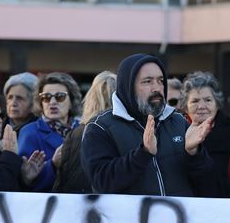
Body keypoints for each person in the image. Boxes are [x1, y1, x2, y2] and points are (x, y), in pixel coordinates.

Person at [81, 53, 214, 196]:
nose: (156, 88)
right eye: (147, 81)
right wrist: (143, 154)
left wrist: (194, 153)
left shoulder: (178, 121)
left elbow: (206, 182)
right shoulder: (100, 128)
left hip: (177, 217)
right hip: (131, 218)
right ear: (128, 86)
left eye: (160, 80)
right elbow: (102, 183)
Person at [17, 72, 82, 192]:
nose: (52, 102)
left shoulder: (83, 129)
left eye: (59, 97)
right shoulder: (29, 132)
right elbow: (22, 182)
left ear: (71, 101)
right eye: (46, 97)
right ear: (41, 102)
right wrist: (52, 165)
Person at [53, 71, 116, 193]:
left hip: (76, 204)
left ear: (91, 99)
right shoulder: (123, 132)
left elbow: (62, 180)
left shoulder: (75, 133)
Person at [180, 71, 230, 197]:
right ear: (185, 106)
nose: (201, 106)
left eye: (208, 100)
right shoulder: (175, 134)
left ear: (217, 104)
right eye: (195, 101)